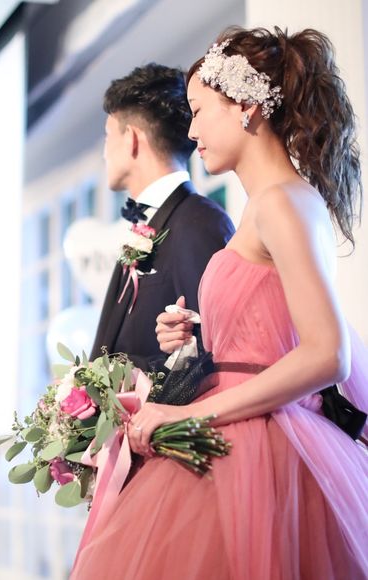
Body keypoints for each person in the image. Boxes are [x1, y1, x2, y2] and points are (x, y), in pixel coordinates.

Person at [72, 27, 368, 579]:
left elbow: (328, 353)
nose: (191, 131)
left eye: (199, 111)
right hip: (247, 428)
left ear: (246, 108)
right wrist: (196, 331)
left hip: (265, 446)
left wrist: (188, 412)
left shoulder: (281, 203)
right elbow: (273, 329)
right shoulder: (267, 205)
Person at [90, 63, 235, 370]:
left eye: (107, 137)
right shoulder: (147, 224)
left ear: (130, 138)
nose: (104, 154)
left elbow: (215, 352)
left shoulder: (199, 222)